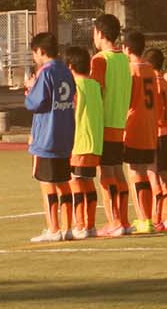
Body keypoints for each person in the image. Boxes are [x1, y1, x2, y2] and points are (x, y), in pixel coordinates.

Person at [23, 33, 76, 242]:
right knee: (64, 183)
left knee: (47, 184)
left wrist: (29, 89)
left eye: (34, 53)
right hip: (64, 133)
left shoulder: (45, 73)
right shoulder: (65, 70)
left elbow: (35, 103)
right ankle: (68, 228)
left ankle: (53, 228)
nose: (34, 58)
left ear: (40, 51)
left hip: (46, 136)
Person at [87, 13, 133, 235]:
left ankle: (114, 221)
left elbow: (94, 92)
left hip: (104, 123)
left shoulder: (100, 60)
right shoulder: (124, 59)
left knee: (106, 175)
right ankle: (123, 220)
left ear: (100, 33)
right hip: (119, 122)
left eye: (94, 32)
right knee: (117, 172)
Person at [120, 30, 160, 235]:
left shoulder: (130, 70)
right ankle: (149, 217)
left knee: (135, 171)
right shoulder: (150, 70)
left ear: (126, 48)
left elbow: (126, 99)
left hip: (134, 125)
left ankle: (143, 218)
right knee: (145, 171)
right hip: (150, 125)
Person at [64, 45, 103, 240]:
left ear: (70, 66)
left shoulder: (75, 87)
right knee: (88, 182)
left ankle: (81, 224)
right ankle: (91, 225)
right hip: (95, 142)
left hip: (79, 142)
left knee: (76, 183)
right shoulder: (95, 85)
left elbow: (71, 111)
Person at [145, 47, 167, 232]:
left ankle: (157, 219)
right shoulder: (166, 83)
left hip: (154, 133)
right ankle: (166, 218)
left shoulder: (151, 83)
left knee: (152, 176)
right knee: (164, 177)